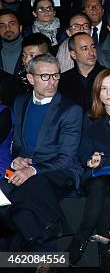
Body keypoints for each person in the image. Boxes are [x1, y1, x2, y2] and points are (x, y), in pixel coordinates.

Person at [1, 54, 82, 252]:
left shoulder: (70, 110)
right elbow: (18, 145)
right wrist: (16, 160)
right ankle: (45, 237)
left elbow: (66, 158)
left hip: (61, 172)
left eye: (56, 76)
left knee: (31, 188)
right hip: (28, 169)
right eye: (45, 76)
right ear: (30, 78)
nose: (52, 82)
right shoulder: (21, 102)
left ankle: (41, 252)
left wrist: (32, 170)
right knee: (4, 192)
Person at [67, 69, 110, 269]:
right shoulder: (90, 117)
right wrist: (90, 159)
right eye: (103, 88)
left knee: (103, 187)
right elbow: (83, 149)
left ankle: (81, 239)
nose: (109, 93)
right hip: (98, 176)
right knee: (101, 186)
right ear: (97, 93)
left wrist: (103, 158)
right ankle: (106, 260)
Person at [58, 32, 105, 111]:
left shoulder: (108, 76)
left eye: (93, 47)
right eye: (85, 49)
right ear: (73, 54)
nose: (91, 52)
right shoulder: (63, 80)